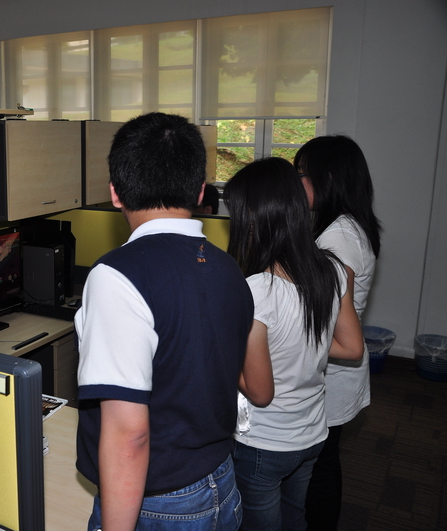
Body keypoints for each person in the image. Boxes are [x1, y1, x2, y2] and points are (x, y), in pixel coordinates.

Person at [74, 112, 254, 531]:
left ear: (115, 193)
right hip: (223, 484)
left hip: (159, 504)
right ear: (201, 190)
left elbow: (129, 434)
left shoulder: (116, 276)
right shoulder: (230, 268)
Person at [223, 157, 364, 531]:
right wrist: (297, 344)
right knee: (296, 516)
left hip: (265, 443)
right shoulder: (333, 270)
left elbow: (260, 392)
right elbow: (352, 347)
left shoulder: (258, 291)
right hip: (313, 433)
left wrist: (222, 353)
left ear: (255, 218)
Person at [295, 135, 382, 530]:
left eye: (303, 174)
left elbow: (328, 317)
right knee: (324, 462)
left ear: (327, 178)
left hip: (334, 368)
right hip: (336, 367)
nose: (298, 183)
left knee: (319, 468)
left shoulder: (339, 238)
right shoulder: (346, 226)